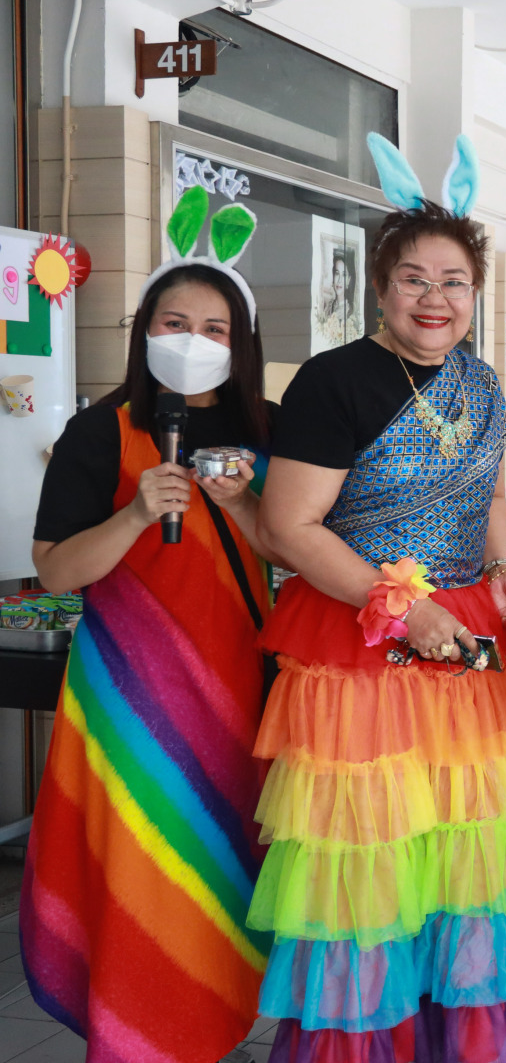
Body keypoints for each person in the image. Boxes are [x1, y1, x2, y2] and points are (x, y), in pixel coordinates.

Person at [248, 135, 506, 1062]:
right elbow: (288, 526)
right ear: (381, 287)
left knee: (457, 859)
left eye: (454, 281)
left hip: (463, 647)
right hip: (358, 653)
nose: (434, 298)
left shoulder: (482, 382)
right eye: (414, 279)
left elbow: (490, 496)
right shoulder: (333, 380)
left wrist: (501, 568)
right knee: (366, 865)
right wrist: (403, 607)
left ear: (476, 292)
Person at [23, 247, 280, 1062]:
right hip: (129, 701)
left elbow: (299, 551)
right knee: (141, 868)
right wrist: (134, 516)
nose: (193, 340)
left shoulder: (271, 430)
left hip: (243, 689)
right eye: (175, 323)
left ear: (241, 343)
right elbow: (57, 570)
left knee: (225, 860)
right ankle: (135, 1033)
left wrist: (240, 506)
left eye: (215, 328)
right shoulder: (101, 431)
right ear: (144, 332)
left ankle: (212, 1021)